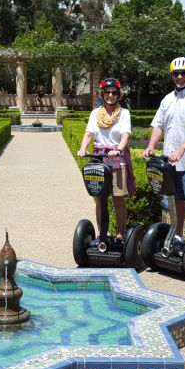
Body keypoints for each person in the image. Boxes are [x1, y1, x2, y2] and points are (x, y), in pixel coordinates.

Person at [142, 57, 185, 239]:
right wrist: (151, 145)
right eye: (176, 74)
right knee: (177, 199)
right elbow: (158, 125)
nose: (180, 77)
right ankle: (178, 236)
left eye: (184, 73)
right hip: (170, 163)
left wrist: (181, 150)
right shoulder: (167, 99)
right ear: (172, 76)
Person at [77, 78, 134, 245]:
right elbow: (88, 134)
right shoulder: (95, 113)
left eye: (114, 92)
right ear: (102, 94)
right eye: (107, 92)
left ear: (118, 95)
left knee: (118, 198)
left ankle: (120, 235)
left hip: (116, 160)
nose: (110, 95)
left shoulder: (124, 113)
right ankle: (102, 233)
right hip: (99, 159)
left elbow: (125, 135)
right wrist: (82, 148)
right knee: (99, 198)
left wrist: (119, 150)